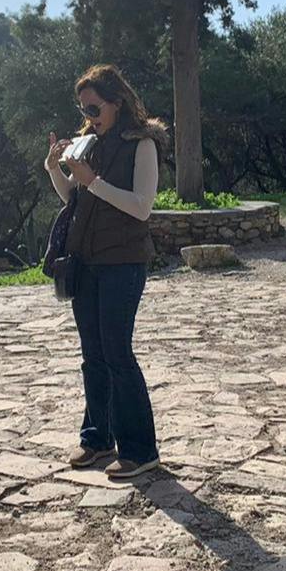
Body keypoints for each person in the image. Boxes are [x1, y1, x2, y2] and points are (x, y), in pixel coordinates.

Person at [44, 65, 169, 481]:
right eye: (83, 108)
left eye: (94, 106)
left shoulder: (143, 144)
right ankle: (98, 438)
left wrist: (92, 181)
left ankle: (140, 449)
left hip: (123, 263)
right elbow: (75, 199)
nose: (89, 114)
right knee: (92, 356)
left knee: (118, 354)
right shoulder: (89, 143)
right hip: (88, 262)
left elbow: (141, 207)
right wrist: (55, 171)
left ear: (116, 101)